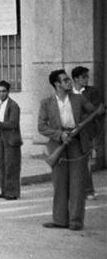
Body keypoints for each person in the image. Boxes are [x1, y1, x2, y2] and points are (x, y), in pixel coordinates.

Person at [38, 69, 99, 231]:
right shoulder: (46, 103)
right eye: (65, 80)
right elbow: (41, 127)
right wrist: (60, 135)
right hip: (58, 144)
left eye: (69, 80)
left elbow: (95, 111)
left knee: (78, 184)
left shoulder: (79, 98)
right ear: (57, 84)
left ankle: (76, 222)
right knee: (60, 183)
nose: (69, 82)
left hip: (77, 143)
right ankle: (59, 220)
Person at [71, 66, 103, 201]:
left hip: (87, 131)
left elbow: (97, 110)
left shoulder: (93, 92)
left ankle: (89, 190)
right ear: (76, 79)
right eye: (84, 77)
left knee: (85, 162)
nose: (87, 79)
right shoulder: (68, 93)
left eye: (87, 76)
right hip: (71, 132)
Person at [0, 81, 22, 200]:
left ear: (8, 92)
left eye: (3, 91)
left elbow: (13, 124)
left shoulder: (14, 105)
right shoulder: (1, 105)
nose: (1, 93)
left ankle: (12, 193)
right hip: (3, 139)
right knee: (2, 166)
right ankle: (4, 191)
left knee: (11, 166)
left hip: (12, 140)